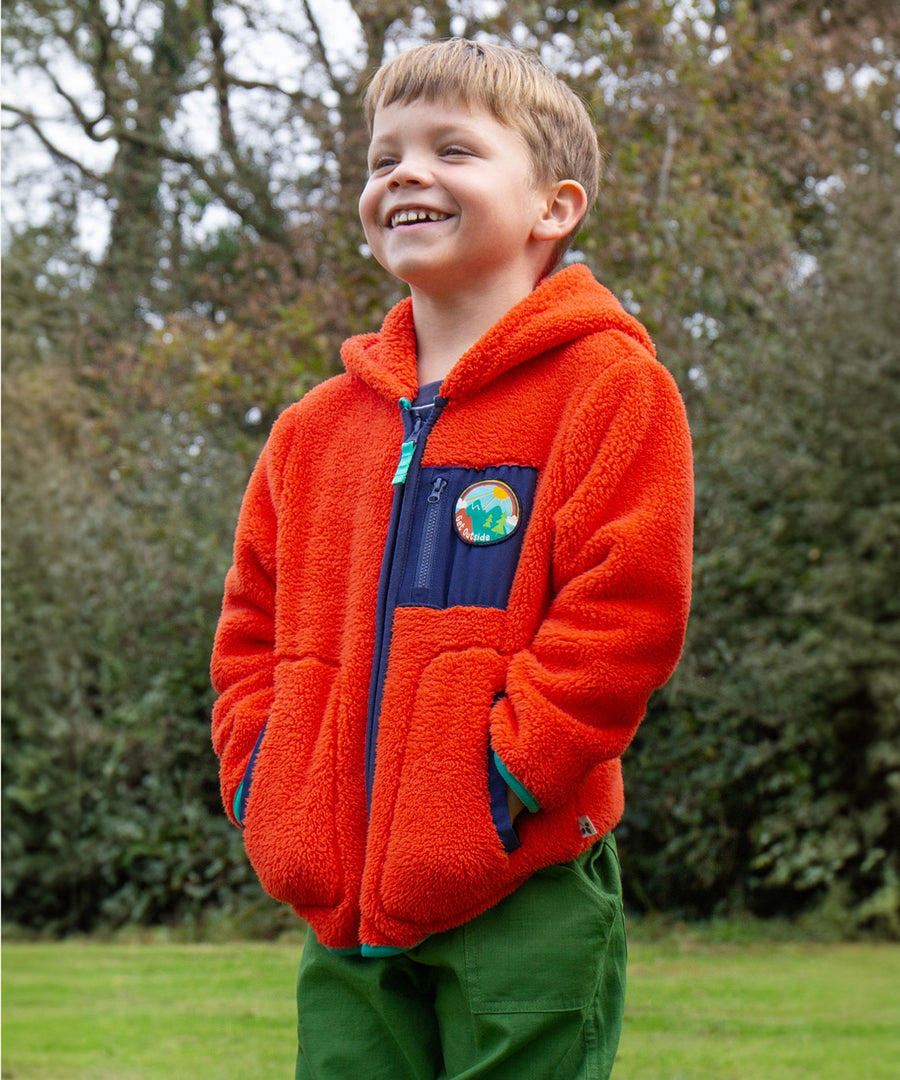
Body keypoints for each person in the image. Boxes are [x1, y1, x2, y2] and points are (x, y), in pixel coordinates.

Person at [210, 38, 693, 1080]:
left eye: (453, 150)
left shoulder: (609, 388)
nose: (406, 175)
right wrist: (267, 784)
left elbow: (626, 613)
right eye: (384, 159)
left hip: (524, 875)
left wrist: (498, 785)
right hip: (340, 899)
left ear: (553, 207)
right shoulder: (314, 428)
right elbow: (250, 627)